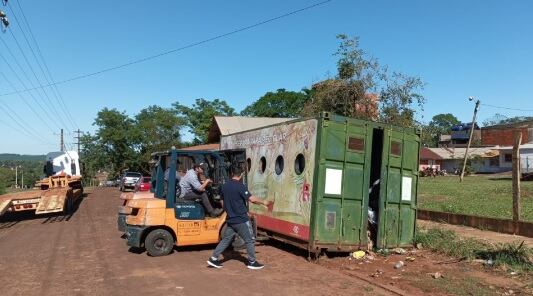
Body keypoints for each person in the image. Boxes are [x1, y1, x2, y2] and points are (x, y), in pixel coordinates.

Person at [207, 165, 272, 270]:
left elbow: (222, 202)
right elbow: (251, 199)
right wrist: (264, 202)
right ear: (241, 174)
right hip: (240, 219)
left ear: (232, 173)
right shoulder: (240, 186)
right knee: (249, 240)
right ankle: (252, 262)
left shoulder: (224, 186)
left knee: (226, 239)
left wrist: (230, 210)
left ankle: (213, 258)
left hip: (231, 219)